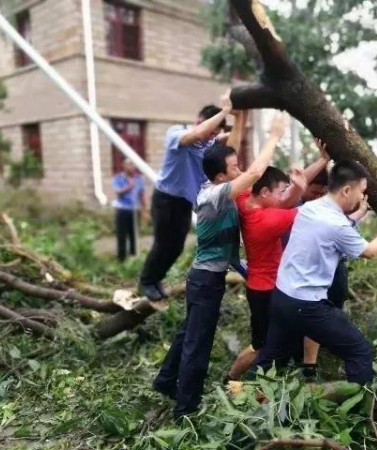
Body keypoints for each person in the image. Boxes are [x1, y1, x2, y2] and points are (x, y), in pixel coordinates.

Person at [152, 112, 288, 419]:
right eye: (233, 168)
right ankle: (186, 408)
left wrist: (237, 115)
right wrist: (275, 136)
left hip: (206, 279)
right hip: (204, 282)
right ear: (220, 177)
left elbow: (226, 252)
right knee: (197, 345)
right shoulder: (214, 195)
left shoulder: (221, 189)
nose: (239, 169)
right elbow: (254, 174)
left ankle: (165, 381)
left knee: (188, 334)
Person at [253, 160, 377, 385]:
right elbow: (370, 251)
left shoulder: (310, 208)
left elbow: (329, 230)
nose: (361, 197)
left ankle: (245, 395)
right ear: (346, 190)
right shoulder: (336, 224)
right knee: (359, 351)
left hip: (282, 295)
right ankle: (359, 413)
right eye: (361, 192)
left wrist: (358, 215)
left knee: (269, 358)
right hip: (306, 305)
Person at [224, 148, 331, 383]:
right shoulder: (267, 220)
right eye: (280, 191)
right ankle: (241, 387)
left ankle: (231, 382)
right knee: (265, 350)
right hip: (267, 291)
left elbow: (288, 195)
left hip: (259, 286)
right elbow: (311, 207)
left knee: (262, 346)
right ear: (264, 192)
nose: (284, 196)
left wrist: (322, 160)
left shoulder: (245, 201)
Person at [138, 91, 233, 301]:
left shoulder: (209, 145)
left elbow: (229, 138)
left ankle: (157, 279)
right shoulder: (177, 133)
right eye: (210, 130)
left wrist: (240, 115)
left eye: (214, 133)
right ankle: (146, 281)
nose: (211, 136)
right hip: (165, 198)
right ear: (198, 121)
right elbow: (198, 135)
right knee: (163, 243)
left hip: (184, 203)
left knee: (177, 246)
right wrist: (225, 110)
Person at [111, 159, 146, 262]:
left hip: (135, 210)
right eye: (129, 164)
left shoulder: (139, 179)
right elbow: (118, 192)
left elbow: (142, 195)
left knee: (134, 234)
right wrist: (129, 187)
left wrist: (145, 210)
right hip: (122, 210)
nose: (132, 167)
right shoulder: (118, 178)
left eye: (133, 164)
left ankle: (133, 257)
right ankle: (121, 259)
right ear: (124, 166)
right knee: (122, 235)